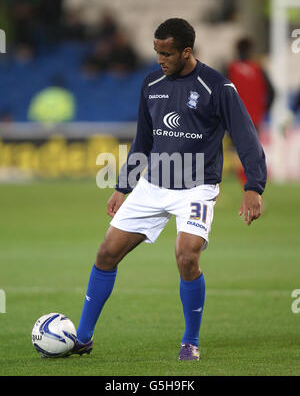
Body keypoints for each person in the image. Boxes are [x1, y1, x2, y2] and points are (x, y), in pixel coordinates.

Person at [67, 18, 267, 361]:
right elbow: (143, 140)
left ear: (186, 51)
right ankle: (82, 337)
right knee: (106, 253)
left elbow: (246, 136)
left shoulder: (217, 87)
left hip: (197, 188)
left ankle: (190, 341)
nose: (160, 59)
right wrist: (123, 185)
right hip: (153, 185)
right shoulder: (151, 83)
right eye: (157, 51)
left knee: (187, 256)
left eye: (167, 53)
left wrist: (254, 186)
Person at [226, 36, 274, 186]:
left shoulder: (230, 68)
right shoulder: (259, 69)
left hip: (233, 118)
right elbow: (272, 92)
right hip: (254, 119)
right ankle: (251, 187)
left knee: (229, 152)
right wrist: (263, 110)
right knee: (248, 153)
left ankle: (215, 188)